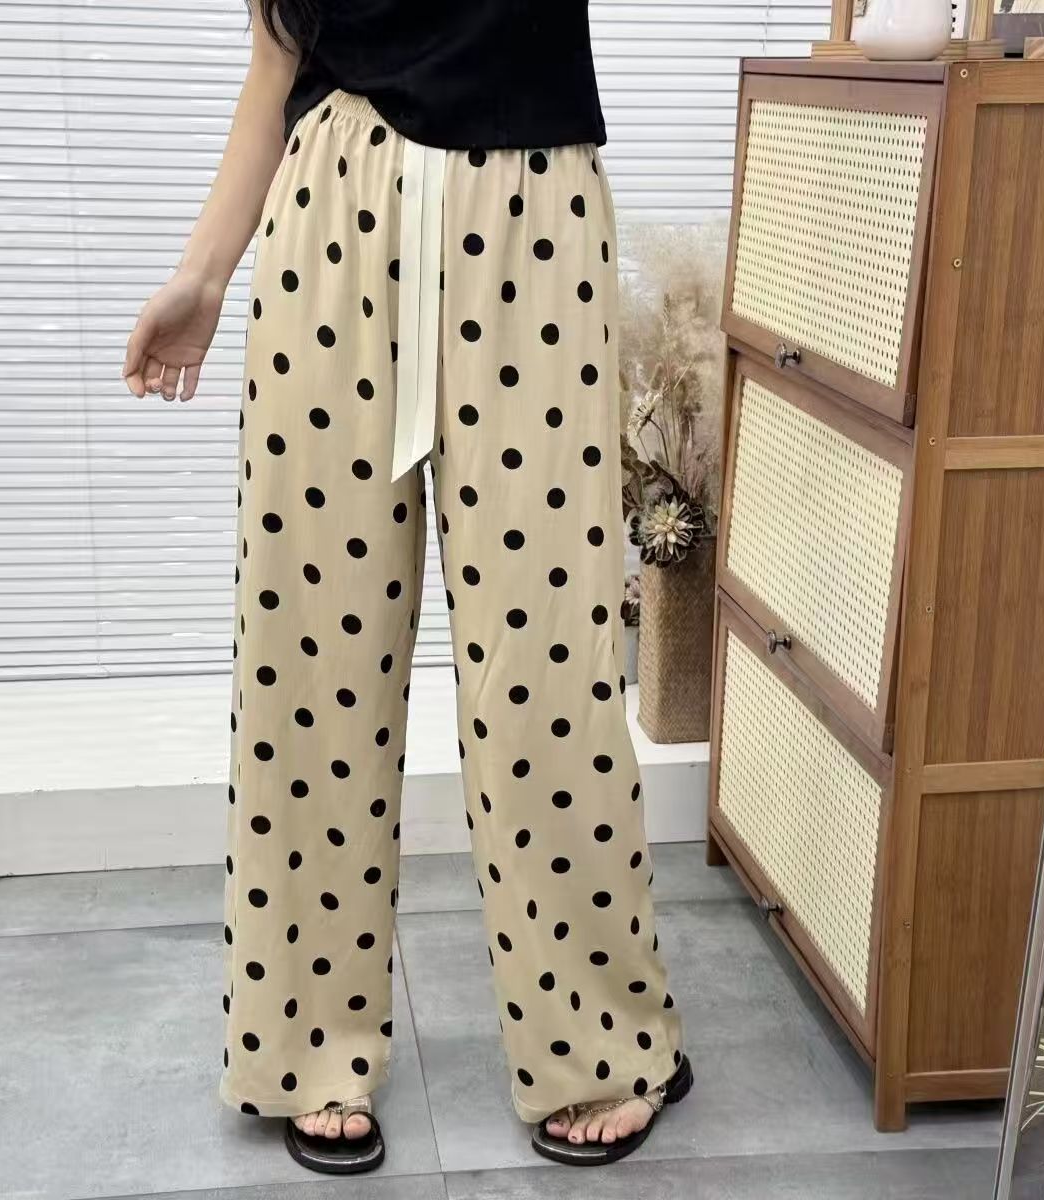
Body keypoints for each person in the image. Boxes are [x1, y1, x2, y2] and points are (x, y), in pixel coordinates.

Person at [122, 0, 691, 1173]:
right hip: (329, 225)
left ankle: (600, 1032)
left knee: (547, 674)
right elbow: (276, 64)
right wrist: (202, 277)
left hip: (530, 224)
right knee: (311, 663)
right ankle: (305, 1044)